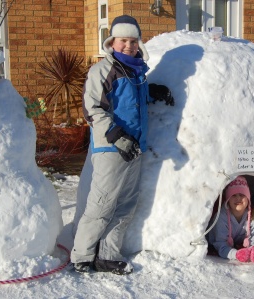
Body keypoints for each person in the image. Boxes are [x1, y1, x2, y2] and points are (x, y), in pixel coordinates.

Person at [71, 15, 174, 275]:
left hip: (134, 148)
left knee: (126, 205)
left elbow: (132, 100)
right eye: (123, 40)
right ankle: (82, 255)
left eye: (133, 40)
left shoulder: (136, 71)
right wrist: (117, 136)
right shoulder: (103, 71)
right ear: (112, 42)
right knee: (102, 204)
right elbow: (92, 109)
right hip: (111, 148)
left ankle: (108, 255)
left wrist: (154, 91)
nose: (129, 45)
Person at [207, 176, 254, 263]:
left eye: (242, 195)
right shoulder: (221, 217)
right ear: (228, 200)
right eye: (233, 195)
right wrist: (236, 254)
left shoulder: (253, 215)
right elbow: (221, 245)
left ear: (248, 198)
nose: (238, 198)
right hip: (213, 241)